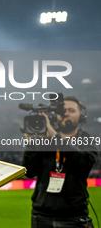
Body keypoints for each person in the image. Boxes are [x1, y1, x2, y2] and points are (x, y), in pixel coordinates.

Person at [22, 96, 98, 228]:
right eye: (62, 111)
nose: (66, 114)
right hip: (42, 216)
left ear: (81, 116)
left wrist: (55, 137)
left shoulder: (86, 139)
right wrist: (31, 144)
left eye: (71, 110)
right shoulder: (43, 140)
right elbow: (29, 172)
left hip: (74, 217)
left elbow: (84, 162)